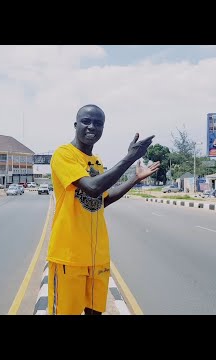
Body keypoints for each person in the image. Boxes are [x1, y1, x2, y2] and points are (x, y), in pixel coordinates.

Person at [47, 104, 160, 315]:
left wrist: (135, 178)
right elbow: (92, 188)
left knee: (95, 312)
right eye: (86, 122)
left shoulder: (97, 161)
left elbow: (101, 200)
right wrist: (130, 158)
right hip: (69, 257)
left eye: (98, 124)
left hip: (97, 256)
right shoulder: (63, 154)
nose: (92, 127)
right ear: (75, 125)